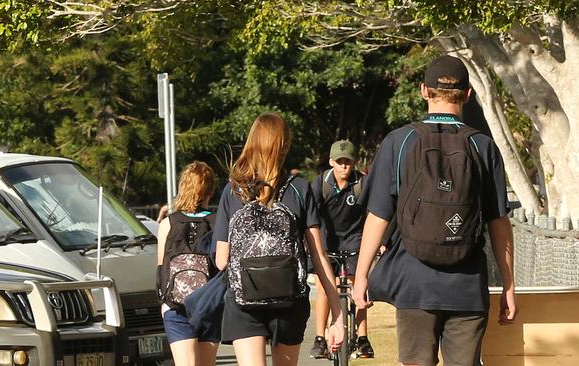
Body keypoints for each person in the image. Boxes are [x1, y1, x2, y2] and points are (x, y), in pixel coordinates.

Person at [352, 55, 517, 366]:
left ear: (424, 91)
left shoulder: (399, 143)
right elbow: (499, 223)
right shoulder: (483, 147)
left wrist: (361, 277)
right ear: (468, 94)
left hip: (414, 283)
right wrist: (509, 286)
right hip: (467, 286)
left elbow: (377, 217)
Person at [213, 112, 344, 366]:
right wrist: (337, 315)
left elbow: (221, 260)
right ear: (283, 145)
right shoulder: (299, 188)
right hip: (288, 300)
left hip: (244, 302)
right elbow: (318, 255)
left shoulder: (233, 190)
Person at [309, 140, 374, 359]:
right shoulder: (321, 184)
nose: (344, 166)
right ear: (331, 162)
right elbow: (312, 217)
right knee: (327, 287)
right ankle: (319, 338)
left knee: (359, 287)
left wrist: (378, 243)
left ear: (354, 163)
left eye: (348, 162)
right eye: (339, 162)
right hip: (328, 241)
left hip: (355, 239)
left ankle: (363, 338)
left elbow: (373, 215)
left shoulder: (362, 184)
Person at [156, 161, 219, 366]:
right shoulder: (217, 223)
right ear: (210, 191)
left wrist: (164, 303)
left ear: (183, 188)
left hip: (176, 306)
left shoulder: (168, 223)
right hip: (209, 305)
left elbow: (161, 268)